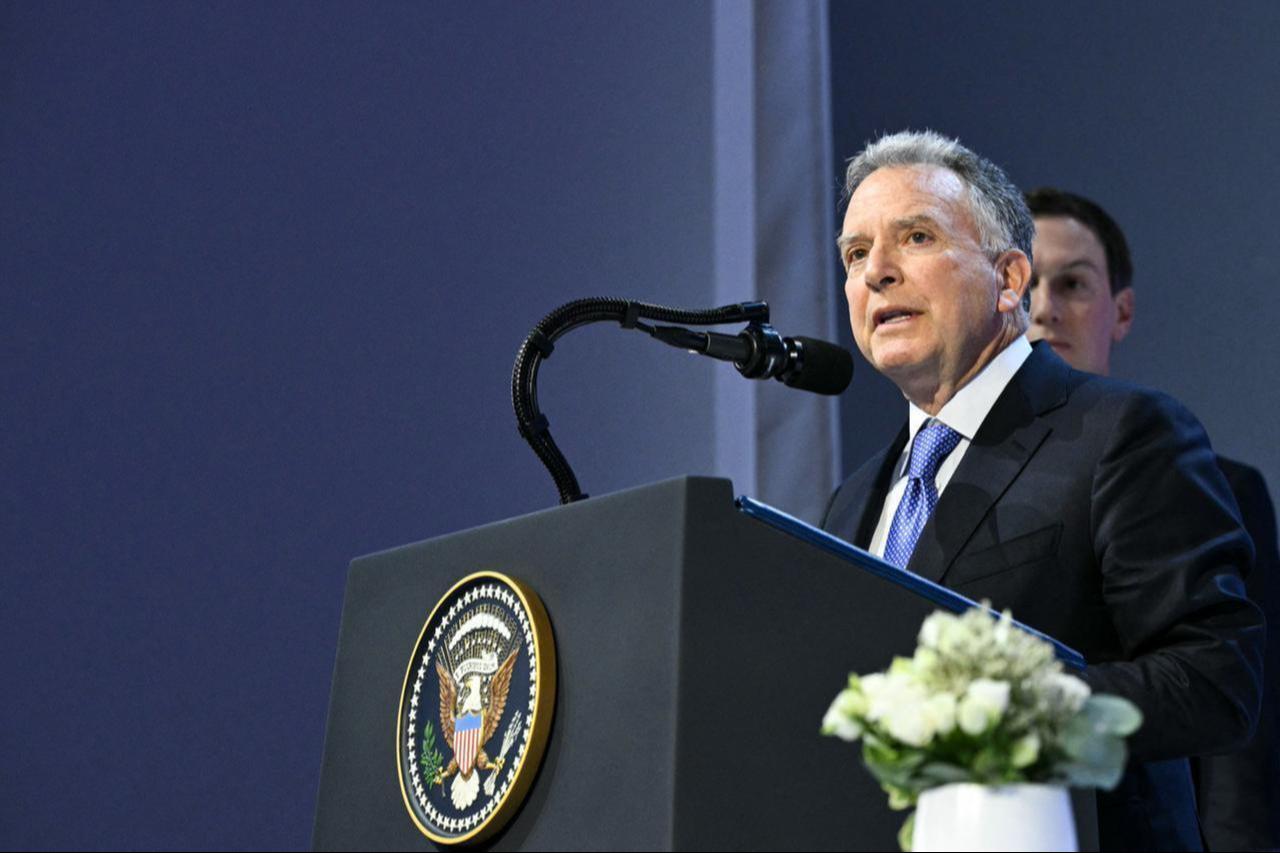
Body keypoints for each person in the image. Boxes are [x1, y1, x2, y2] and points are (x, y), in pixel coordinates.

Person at [820, 130, 1263, 851]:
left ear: (1010, 278)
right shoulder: (851, 501)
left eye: (916, 236)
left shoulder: (1121, 433)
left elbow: (1216, 676)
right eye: (856, 253)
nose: (877, 273)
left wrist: (1004, 712)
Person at [1026, 186, 1280, 852]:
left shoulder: (1223, 487)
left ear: (1122, 311)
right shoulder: (954, 488)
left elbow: (1240, 731)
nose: (1044, 310)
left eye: (1073, 284)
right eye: (1025, 283)